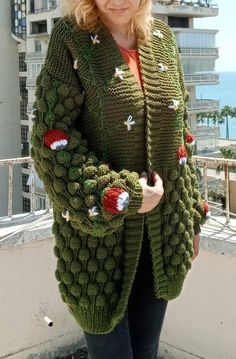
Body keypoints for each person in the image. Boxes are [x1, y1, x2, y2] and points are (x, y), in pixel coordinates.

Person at [30, 0, 208, 358]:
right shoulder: (72, 39)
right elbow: (50, 139)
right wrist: (121, 194)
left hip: (162, 236)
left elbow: (182, 137)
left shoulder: (162, 38)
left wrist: (191, 218)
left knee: (147, 351)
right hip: (97, 241)